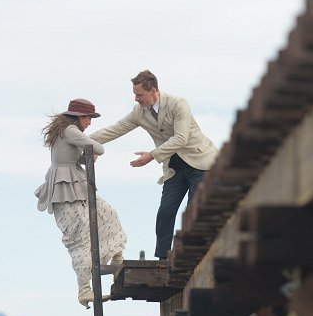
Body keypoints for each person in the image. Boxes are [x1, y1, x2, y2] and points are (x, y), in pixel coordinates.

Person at [90, 70, 218, 260]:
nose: (136, 99)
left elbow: (181, 138)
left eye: (139, 95)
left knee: (194, 210)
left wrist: (152, 155)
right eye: (134, 94)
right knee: (165, 211)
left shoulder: (178, 104)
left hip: (200, 163)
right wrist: (86, 141)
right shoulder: (139, 112)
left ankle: (194, 254)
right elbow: (116, 129)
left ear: (153, 91)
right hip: (174, 167)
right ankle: (163, 258)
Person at [35, 98, 127, 309]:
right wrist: (91, 149)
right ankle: (84, 288)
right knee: (80, 234)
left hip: (75, 184)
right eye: (88, 118)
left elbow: (78, 153)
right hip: (66, 188)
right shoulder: (70, 131)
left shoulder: (66, 132)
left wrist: (86, 153)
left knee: (107, 214)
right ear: (79, 117)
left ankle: (117, 259)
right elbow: (98, 147)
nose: (89, 123)